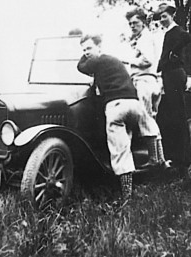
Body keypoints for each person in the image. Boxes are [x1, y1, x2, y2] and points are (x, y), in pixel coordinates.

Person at [77, 34, 165, 200]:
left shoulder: (98, 60)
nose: (86, 52)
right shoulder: (114, 61)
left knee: (120, 150)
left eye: (89, 48)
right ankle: (157, 161)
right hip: (134, 105)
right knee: (144, 131)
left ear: (99, 47)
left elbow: (81, 66)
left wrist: (83, 55)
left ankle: (126, 195)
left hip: (116, 106)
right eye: (84, 50)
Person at [121, 7, 170, 168]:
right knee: (151, 120)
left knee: (145, 119)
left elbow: (147, 60)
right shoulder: (142, 38)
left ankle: (154, 159)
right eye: (130, 24)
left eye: (135, 23)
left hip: (144, 81)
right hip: (150, 81)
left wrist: (128, 60)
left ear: (143, 23)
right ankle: (160, 158)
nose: (132, 26)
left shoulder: (145, 39)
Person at [154, 4, 191, 169]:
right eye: (160, 17)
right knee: (168, 114)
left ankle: (184, 159)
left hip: (176, 74)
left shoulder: (177, 31)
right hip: (168, 75)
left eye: (165, 16)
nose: (162, 20)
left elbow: (187, 37)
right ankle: (174, 156)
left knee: (179, 114)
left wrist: (173, 53)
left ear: (172, 15)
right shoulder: (167, 33)